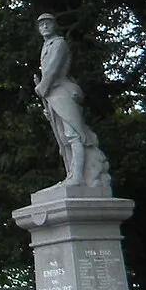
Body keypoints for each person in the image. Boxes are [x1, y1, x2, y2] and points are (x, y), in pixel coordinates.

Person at [35, 13, 107, 188]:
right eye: (41, 24)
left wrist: (41, 87)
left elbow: (52, 70)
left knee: (73, 135)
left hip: (62, 91)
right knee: (62, 138)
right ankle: (72, 174)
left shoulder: (59, 44)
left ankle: (79, 176)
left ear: (54, 26)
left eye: (48, 23)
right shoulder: (45, 46)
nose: (44, 27)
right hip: (52, 96)